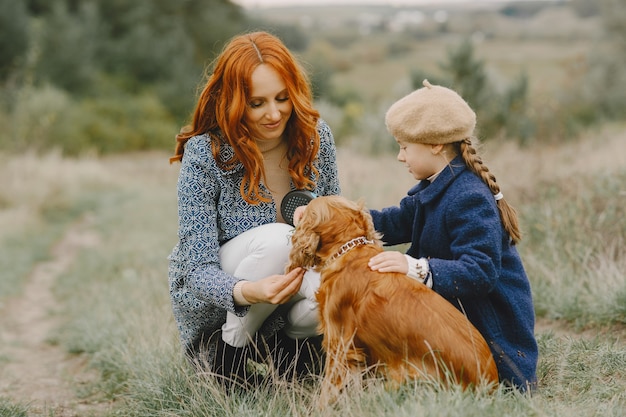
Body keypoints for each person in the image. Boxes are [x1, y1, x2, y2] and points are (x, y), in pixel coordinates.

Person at [167, 31, 341, 385]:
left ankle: (291, 354)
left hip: (291, 284)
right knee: (280, 239)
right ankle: (227, 362)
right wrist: (249, 292)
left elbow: (335, 229)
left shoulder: (315, 138)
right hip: (223, 292)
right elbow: (195, 268)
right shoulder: (206, 153)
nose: (274, 113)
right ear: (232, 101)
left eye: (282, 98)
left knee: (335, 283)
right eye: (257, 103)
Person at [367, 80, 538, 392]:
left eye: (404, 147)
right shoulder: (437, 186)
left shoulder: (468, 196)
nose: (400, 157)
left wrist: (414, 268)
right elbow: (395, 221)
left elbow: (480, 272)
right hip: (456, 323)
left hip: (492, 338)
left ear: (435, 144)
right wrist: (345, 218)